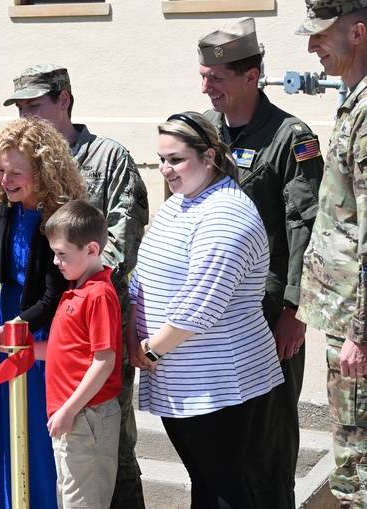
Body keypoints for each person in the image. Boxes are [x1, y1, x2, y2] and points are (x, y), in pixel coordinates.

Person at [0, 64, 148, 509]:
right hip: (47, 316)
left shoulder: (108, 158)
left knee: (110, 445)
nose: (27, 116)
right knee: (60, 455)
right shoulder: (21, 162)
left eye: (36, 105)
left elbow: (125, 238)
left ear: (64, 99)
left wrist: (79, 281)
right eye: (20, 108)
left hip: (97, 318)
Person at [196, 18, 324, 508]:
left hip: (269, 315)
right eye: (204, 76)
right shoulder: (203, 136)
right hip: (213, 317)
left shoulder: (290, 138)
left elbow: (305, 230)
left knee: (267, 444)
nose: (207, 87)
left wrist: (295, 311)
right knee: (220, 439)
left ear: (251, 76)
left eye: (217, 78)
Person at [128, 112, 283, 508]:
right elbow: (142, 273)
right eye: (161, 158)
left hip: (217, 380)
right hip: (180, 375)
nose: (165, 169)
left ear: (209, 155)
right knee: (206, 481)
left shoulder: (226, 212)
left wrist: (149, 350)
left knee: (224, 487)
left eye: (176, 159)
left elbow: (201, 303)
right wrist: (133, 326)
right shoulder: (181, 203)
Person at [0, 117, 88, 509]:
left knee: (35, 426)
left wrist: (14, 329)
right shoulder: (2, 200)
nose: (5, 179)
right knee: (6, 419)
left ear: (42, 171)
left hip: (41, 327)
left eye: (15, 172)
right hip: (12, 316)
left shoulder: (60, 215)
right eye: (0, 169)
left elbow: (52, 294)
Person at [296, 2, 367, 505]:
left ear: (359, 32)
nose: (310, 46)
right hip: (345, 316)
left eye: (321, 34)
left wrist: (361, 331)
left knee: (357, 458)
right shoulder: (353, 102)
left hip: (357, 324)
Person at [38, 199, 122, 509]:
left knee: (83, 503)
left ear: (91, 250)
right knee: (71, 498)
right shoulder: (77, 289)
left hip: (86, 416)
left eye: (62, 254)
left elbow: (104, 361)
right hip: (74, 416)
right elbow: (63, 350)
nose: (57, 262)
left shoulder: (98, 294)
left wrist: (69, 410)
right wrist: (11, 346)